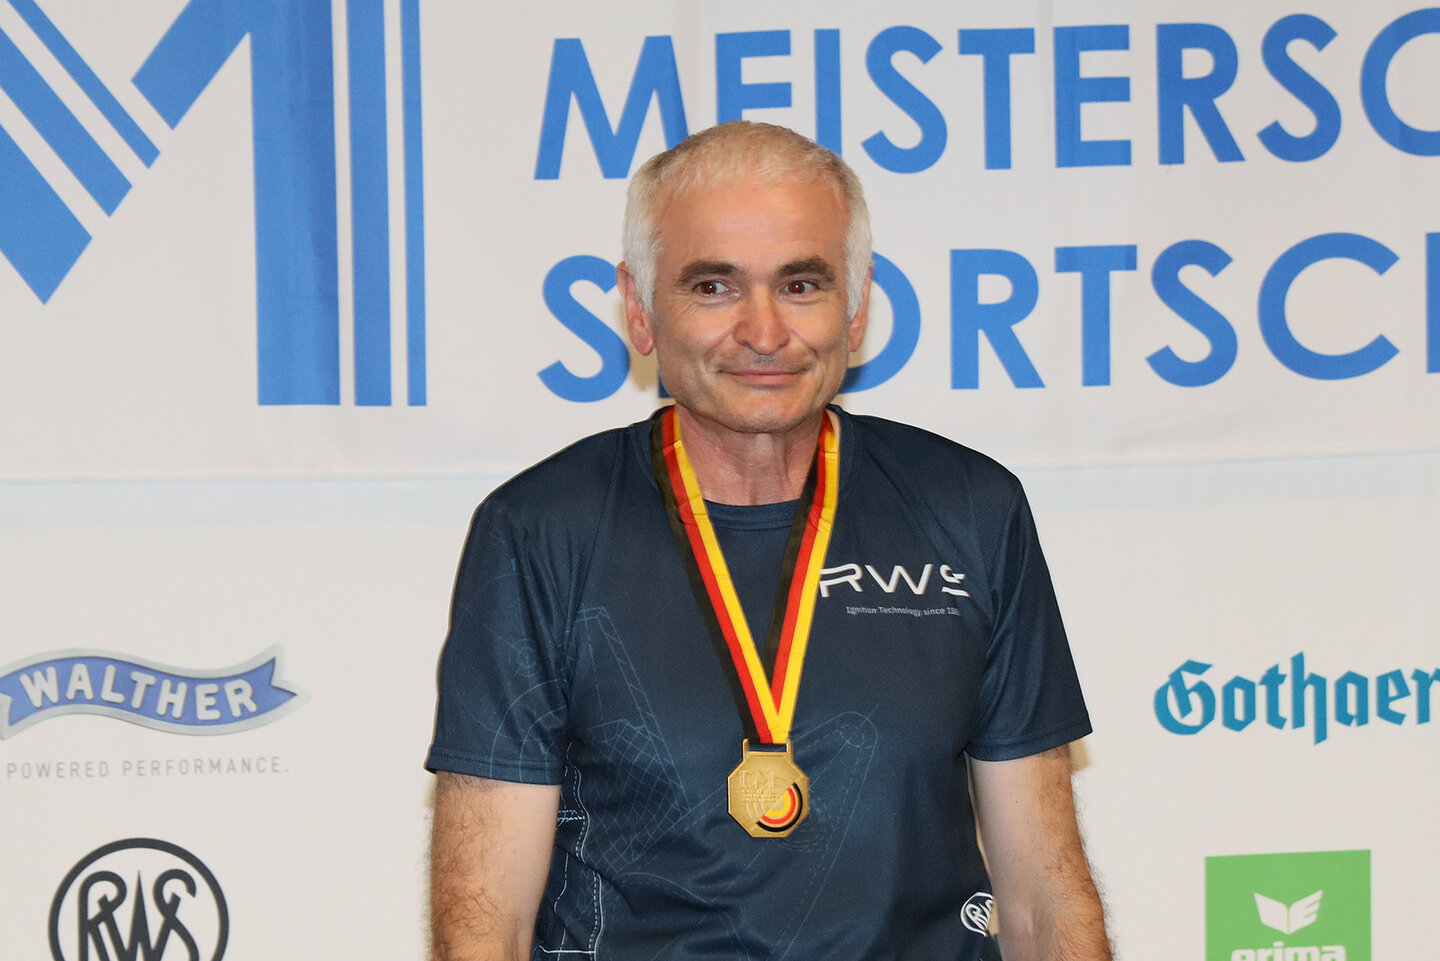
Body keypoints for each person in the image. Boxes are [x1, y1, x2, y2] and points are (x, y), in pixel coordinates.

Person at [427, 121, 1112, 961]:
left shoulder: (971, 508)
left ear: (855, 309)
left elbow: (1046, 892)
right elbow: (484, 921)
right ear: (640, 310)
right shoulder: (539, 531)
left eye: (801, 284)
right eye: (714, 286)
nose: (762, 331)